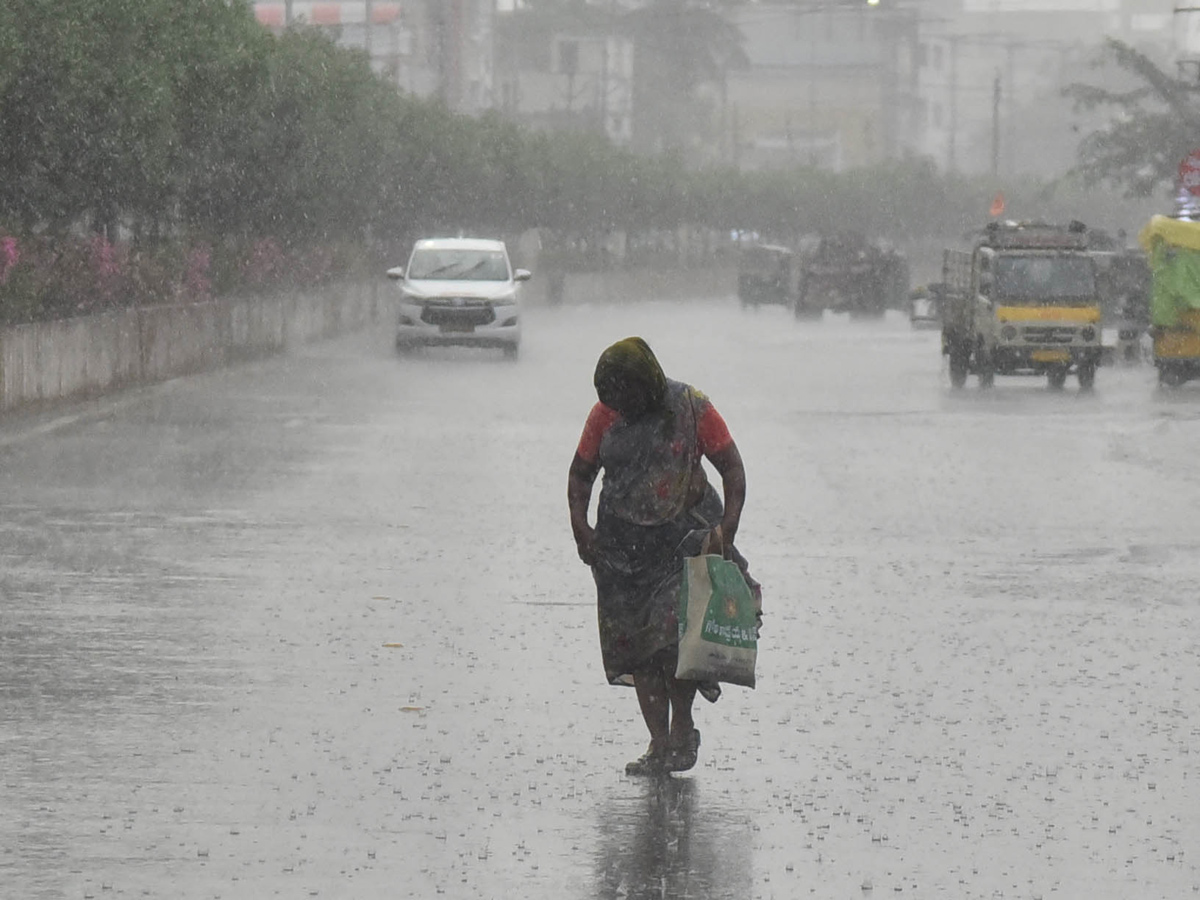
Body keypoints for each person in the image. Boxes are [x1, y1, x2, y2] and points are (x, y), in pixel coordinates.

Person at [567, 337, 760, 777]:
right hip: (621, 554)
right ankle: (659, 742)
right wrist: (582, 529)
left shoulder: (691, 408)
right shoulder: (605, 416)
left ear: (648, 383)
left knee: (672, 643)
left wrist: (726, 527)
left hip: (681, 545)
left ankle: (683, 728)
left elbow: (731, 467)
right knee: (639, 650)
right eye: (614, 399)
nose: (623, 407)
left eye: (629, 396)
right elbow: (581, 473)